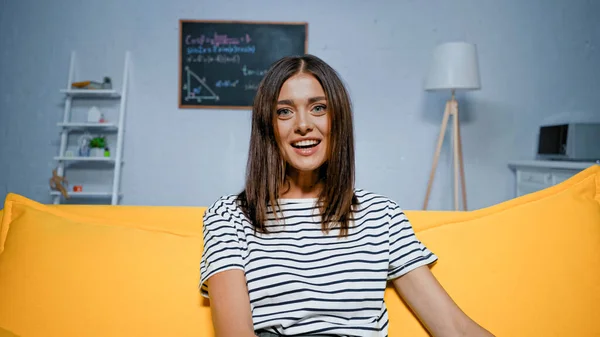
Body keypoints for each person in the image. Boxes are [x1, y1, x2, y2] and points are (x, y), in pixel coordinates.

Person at [199, 54, 494, 337]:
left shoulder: (382, 215)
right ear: (268, 126)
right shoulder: (229, 216)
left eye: (318, 108)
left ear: (338, 120)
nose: (303, 124)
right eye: (284, 111)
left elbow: (454, 328)